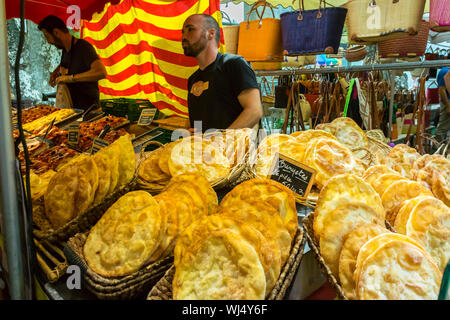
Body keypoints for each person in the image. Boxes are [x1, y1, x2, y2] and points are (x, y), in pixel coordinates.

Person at [181, 14, 263, 134]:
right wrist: (190, 132)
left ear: (211, 33)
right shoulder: (193, 79)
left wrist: (221, 140)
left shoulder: (233, 64)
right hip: (205, 151)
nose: (184, 36)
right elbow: (198, 120)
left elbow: (254, 111)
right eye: (183, 32)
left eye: (190, 29)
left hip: (234, 151)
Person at [38, 15, 107, 111]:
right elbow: (74, 63)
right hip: (73, 111)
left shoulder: (83, 47)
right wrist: (56, 71)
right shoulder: (66, 50)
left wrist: (71, 78)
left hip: (89, 113)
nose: (48, 41)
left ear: (56, 32)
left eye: (47, 36)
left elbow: (101, 72)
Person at [435, 67, 450, 143]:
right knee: (443, 127)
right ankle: (438, 149)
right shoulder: (445, 71)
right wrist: (448, 106)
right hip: (448, 100)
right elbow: (441, 90)